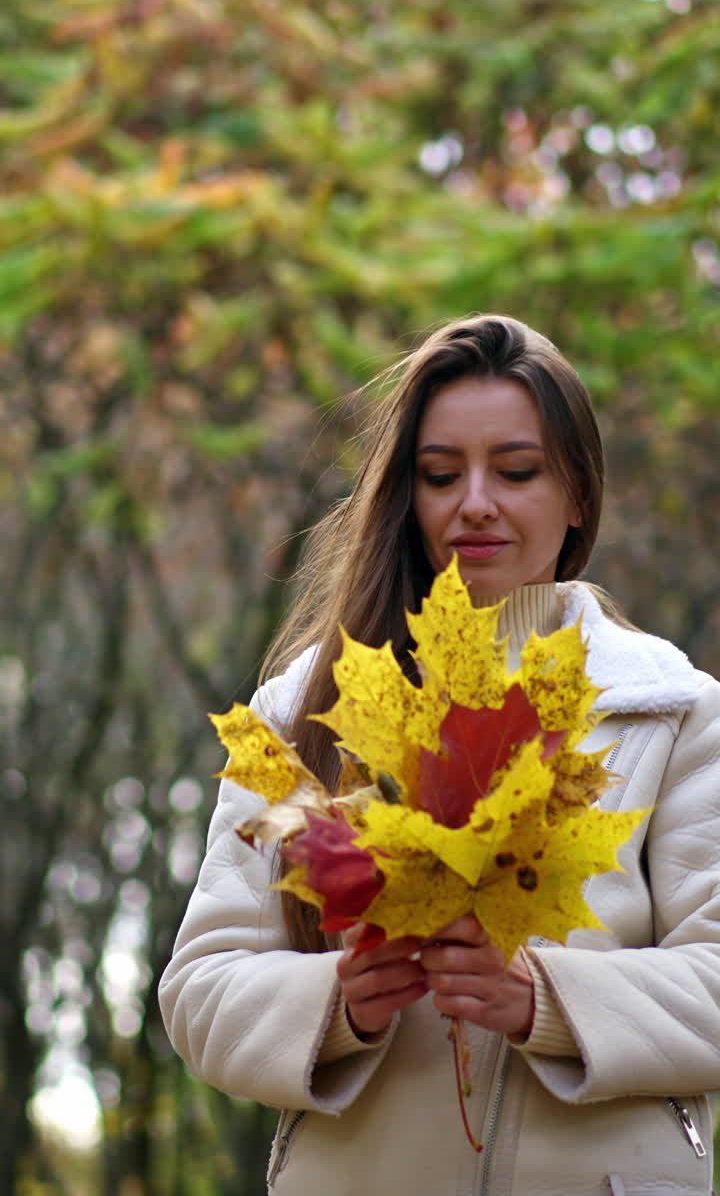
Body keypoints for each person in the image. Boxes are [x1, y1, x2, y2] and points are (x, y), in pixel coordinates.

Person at [159, 314, 720, 1196]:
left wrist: (546, 999)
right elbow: (201, 989)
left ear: (578, 495)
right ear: (407, 494)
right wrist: (338, 1004)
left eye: (518, 470)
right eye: (440, 474)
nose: (476, 502)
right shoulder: (308, 712)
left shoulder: (672, 711)